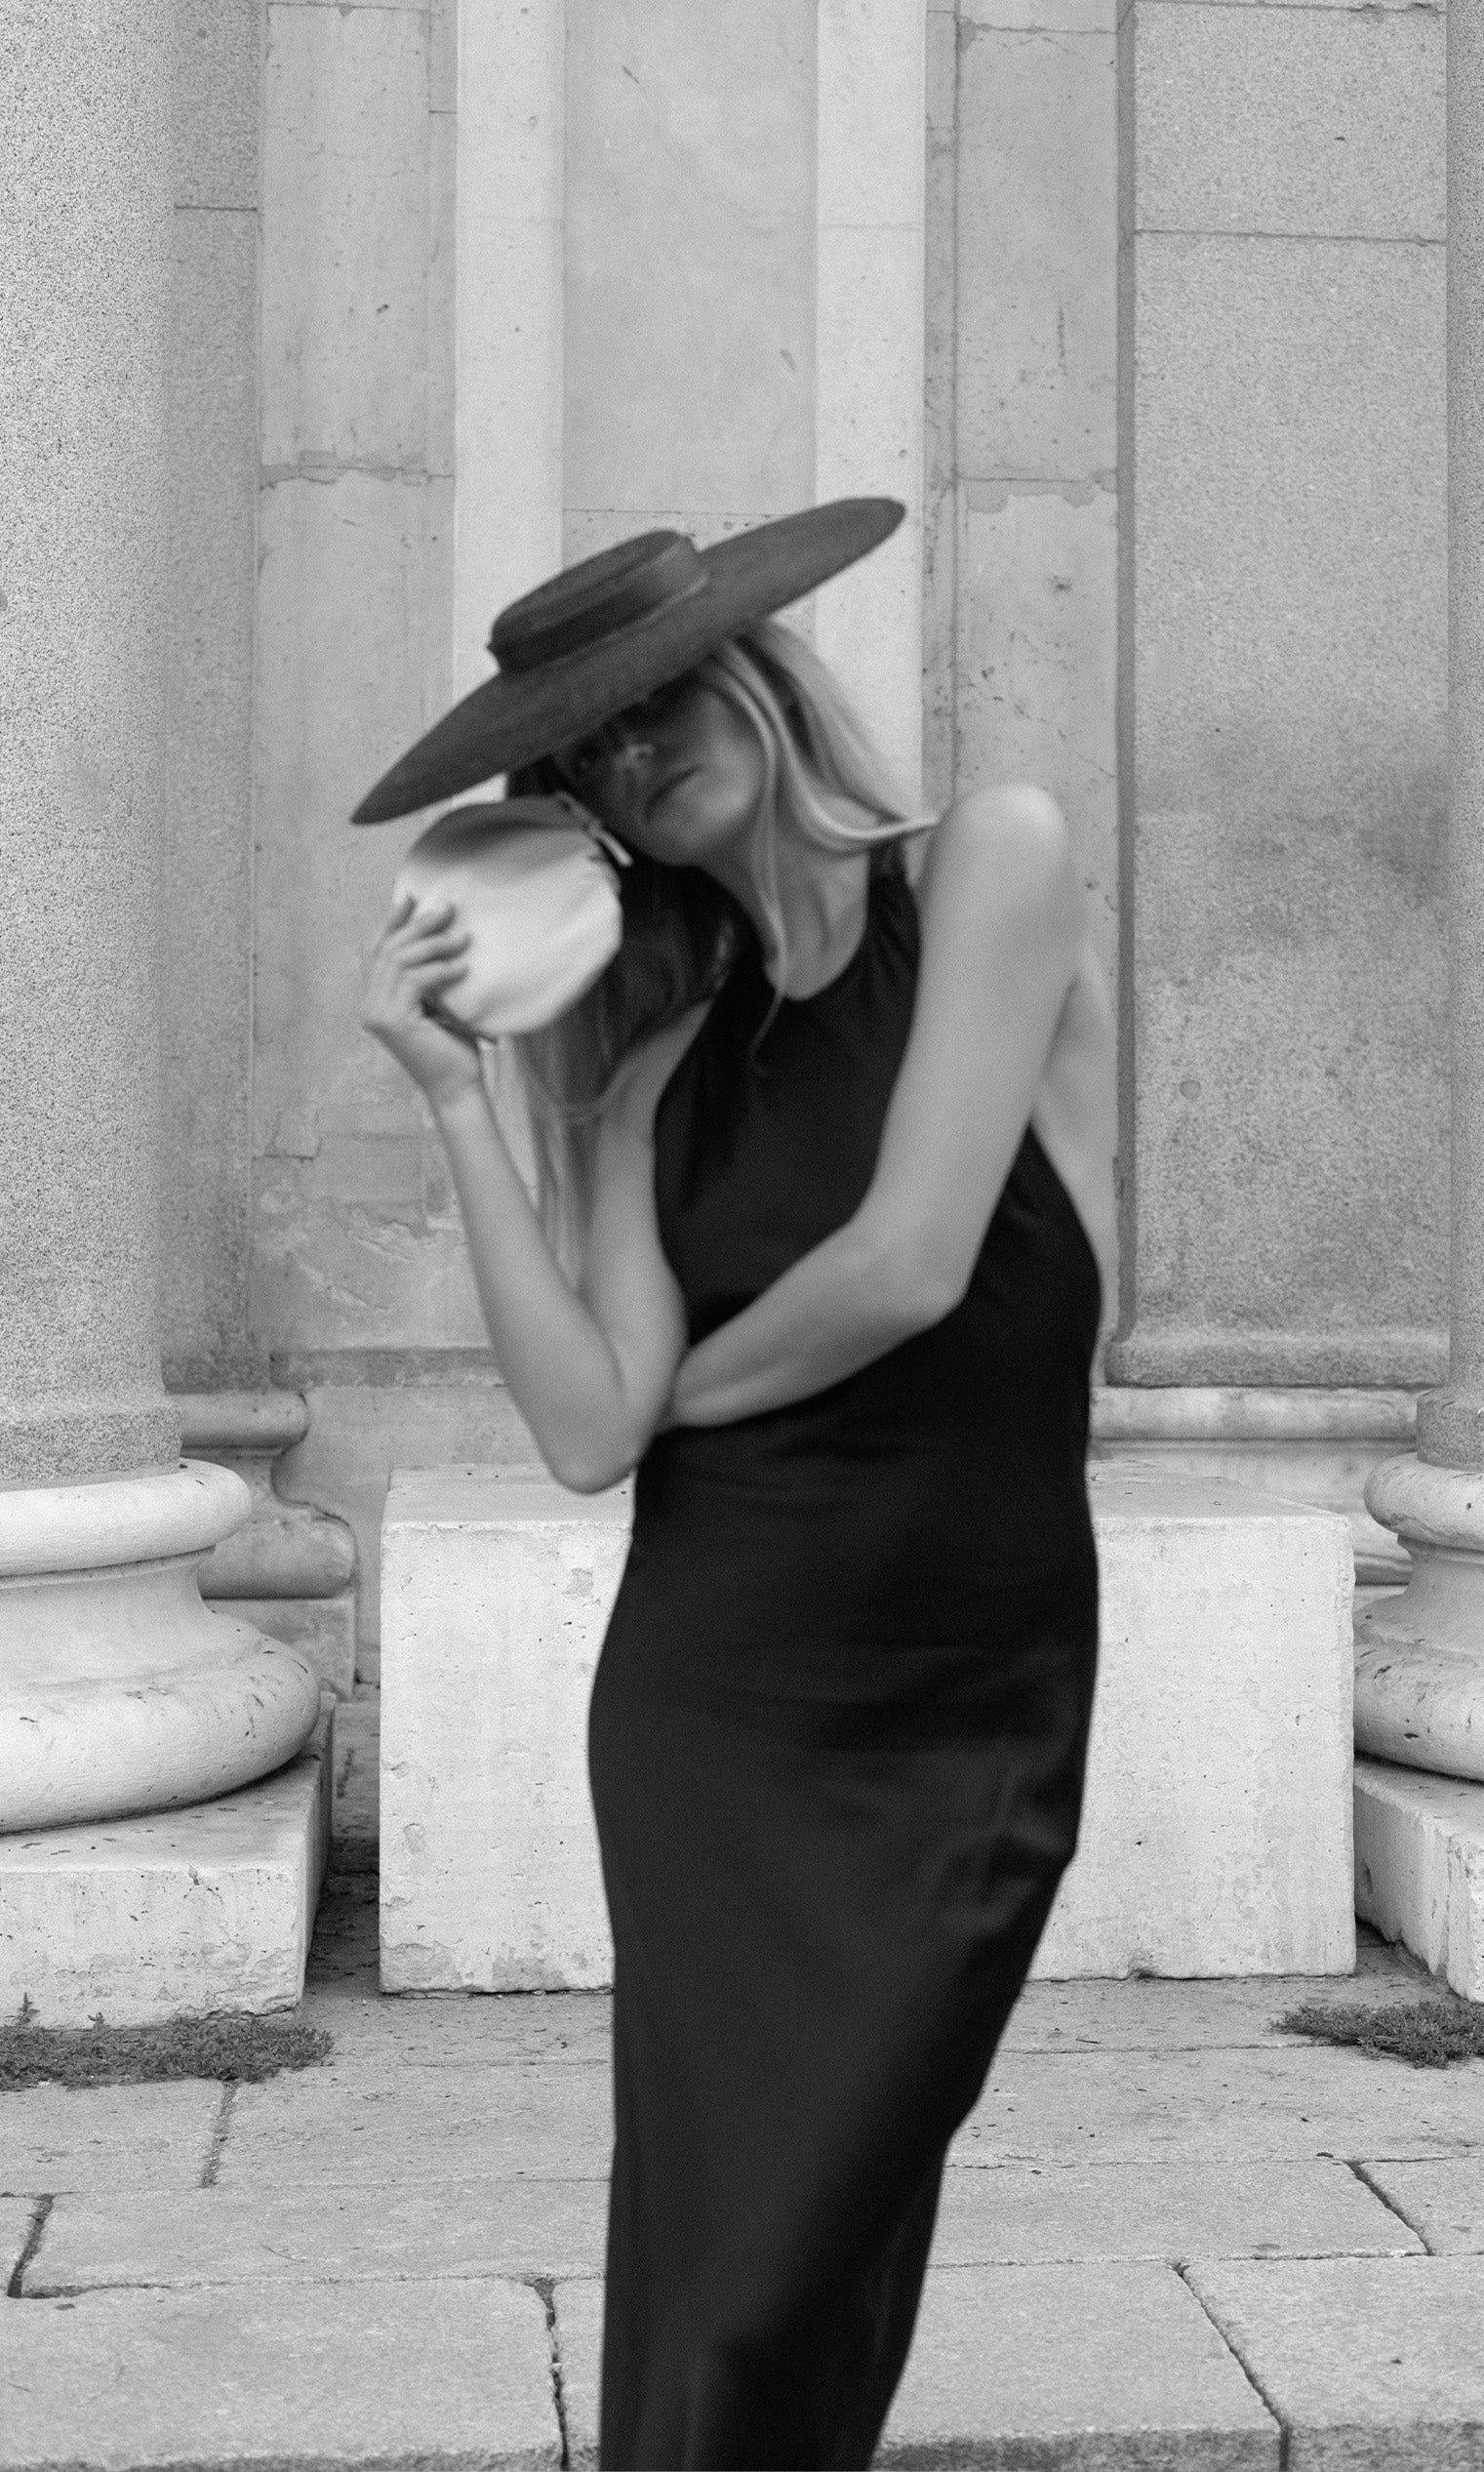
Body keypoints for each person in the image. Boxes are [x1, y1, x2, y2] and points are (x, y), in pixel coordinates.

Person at [356, 501, 1117, 2470]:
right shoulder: (665, 1062)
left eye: (654, 703)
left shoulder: (994, 857)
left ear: (758, 674)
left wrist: (685, 1393)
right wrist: (461, 1103)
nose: (630, 757)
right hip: (716, 1704)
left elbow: (911, 1263)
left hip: (966, 1692)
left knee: (804, 2255)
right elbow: (583, 1429)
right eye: (581, 757)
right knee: (732, 2270)